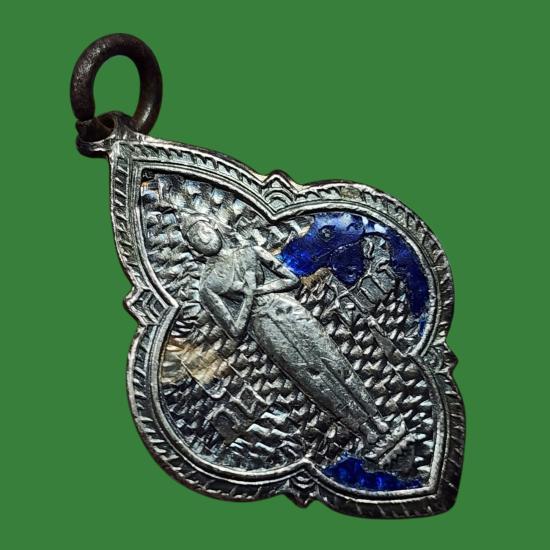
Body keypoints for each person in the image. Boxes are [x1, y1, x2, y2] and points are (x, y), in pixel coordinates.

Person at [184, 215, 391, 445]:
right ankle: (362, 429)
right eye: (195, 238)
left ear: (214, 226)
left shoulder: (250, 252)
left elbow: (291, 280)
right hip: (264, 326)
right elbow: (235, 330)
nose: (203, 239)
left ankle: (375, 416)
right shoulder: (208, 286)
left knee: (334, 361)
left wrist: (258, 290)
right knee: (312, 378)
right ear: (193, 247)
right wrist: (248, 296)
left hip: (287, 309)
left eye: (203, 230)